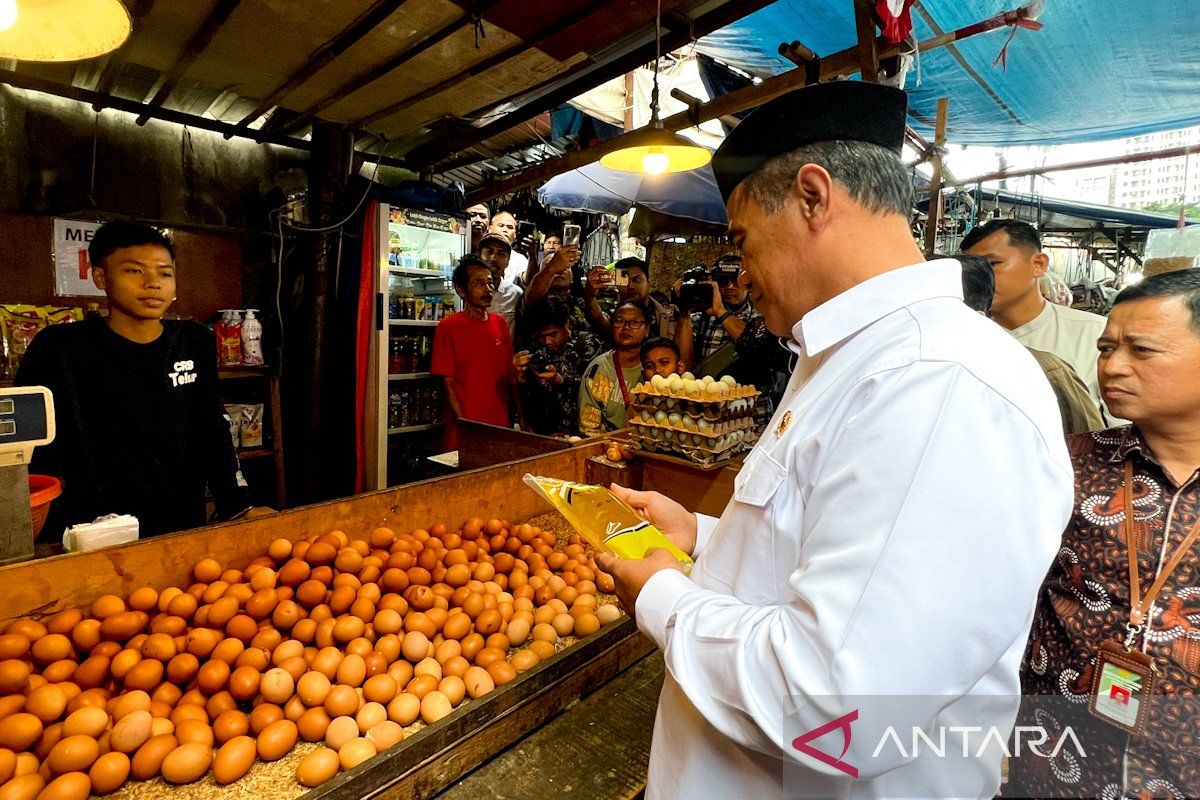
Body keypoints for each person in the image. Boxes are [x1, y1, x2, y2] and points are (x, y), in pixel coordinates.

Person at [591, 81, 1073, 799]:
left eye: (744, 241)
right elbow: (834, 552)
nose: (741, 277)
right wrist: (700, 534)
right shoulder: (853, 358)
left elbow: (840, 705)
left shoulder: (939, 381)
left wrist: (661, 595)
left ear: (814, 197)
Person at [1010, 270, 1200, 799]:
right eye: (1107, 347)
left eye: (1141, 350)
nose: (1113, 366)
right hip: (1056, 761)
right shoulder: (1061, 463)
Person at [14, 221, 262, 538]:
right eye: (134, 271)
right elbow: (28, 446)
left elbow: (212, 427)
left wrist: (237, 504)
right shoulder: (58, 347)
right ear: (101, 277)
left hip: (179, 523)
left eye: (165, 273)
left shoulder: (193, 340)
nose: (153, 283)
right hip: (88, 531)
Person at [962, 218, 1113, 421]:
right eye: (973, 270)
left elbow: (1121, 430)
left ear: (1038, 264)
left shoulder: (1094, 334)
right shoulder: (965, 338)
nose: (980, 279)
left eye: (993, 264)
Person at [431, 255, 519, 451]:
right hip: (466, 427)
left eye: (490, 283)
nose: (488, 289)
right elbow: (448, 383)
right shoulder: (448, 327)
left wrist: (520, 420)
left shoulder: (499, 324)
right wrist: (465, 425)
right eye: (479, 283)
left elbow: (511, 377)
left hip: (499, 425)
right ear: (461, 290)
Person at [513, 297, 604, 437]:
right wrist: (521, 377)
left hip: (583, 433)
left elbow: (598, 393)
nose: (547, 342)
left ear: (566, 325)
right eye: (541, 336)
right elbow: (529, 396)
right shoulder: (535, 348)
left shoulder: (589, 345)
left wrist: (560, 382)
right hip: (546, 434)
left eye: (553, 334)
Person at [675, 255, 761, 375]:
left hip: (745, 389)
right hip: (706, 389)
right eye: (723, 281)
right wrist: (684, 312)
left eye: (735, 280)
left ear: (748, 283)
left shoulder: (760, 317)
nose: (730, 286)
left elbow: (757, 347)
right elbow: (683, 364)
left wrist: (720, 312)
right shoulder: (700, 319)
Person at [578, 300, 650, 437]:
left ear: (647, 329)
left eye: (635, 322)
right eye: (619, 321)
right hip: (608, 450)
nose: (626, 327)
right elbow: (589, 428)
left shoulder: (654, 367)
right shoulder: (597, 368)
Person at [584, 257, 679, 341]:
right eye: (625, 281)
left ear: (649, 282)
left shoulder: (670, 314)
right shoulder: (614, 314)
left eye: (637, 279)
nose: (631, 286)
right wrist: (590, 294)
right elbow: (601, 322)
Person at [476, 230, 523, 338]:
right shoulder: (467, 290)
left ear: (508, 261)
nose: (494, 258)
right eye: (489, 251)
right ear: (479, 255)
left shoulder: (515, 294)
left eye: (501, 254)